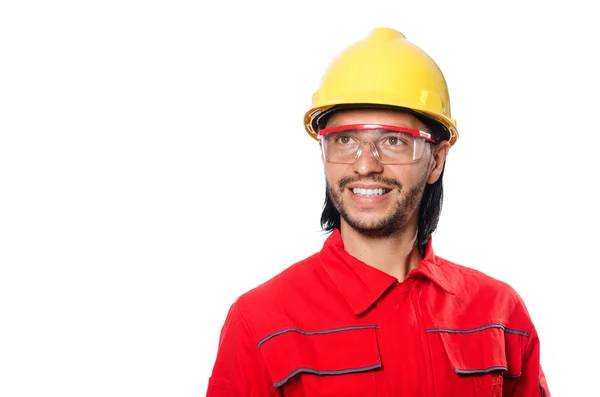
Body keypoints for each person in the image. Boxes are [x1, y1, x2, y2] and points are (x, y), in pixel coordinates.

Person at [206, 27, 550, 396]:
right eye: (345, 140)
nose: (366, 164)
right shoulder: (260, 323)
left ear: (436, 160)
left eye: (393, 141)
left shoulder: (499, 316)